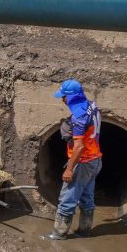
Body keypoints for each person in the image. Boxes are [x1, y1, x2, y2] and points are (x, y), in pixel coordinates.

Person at [49, 79, 102, 239]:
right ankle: (84, 231)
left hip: (82, 162)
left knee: (67, 199)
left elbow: (79, 147)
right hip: (95, 159)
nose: (62, 99)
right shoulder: (91, 105)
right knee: (87, 197)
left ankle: (59, 234)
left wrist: (69, 169)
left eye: (64, 96)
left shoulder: (79, 118)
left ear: (72, 97)